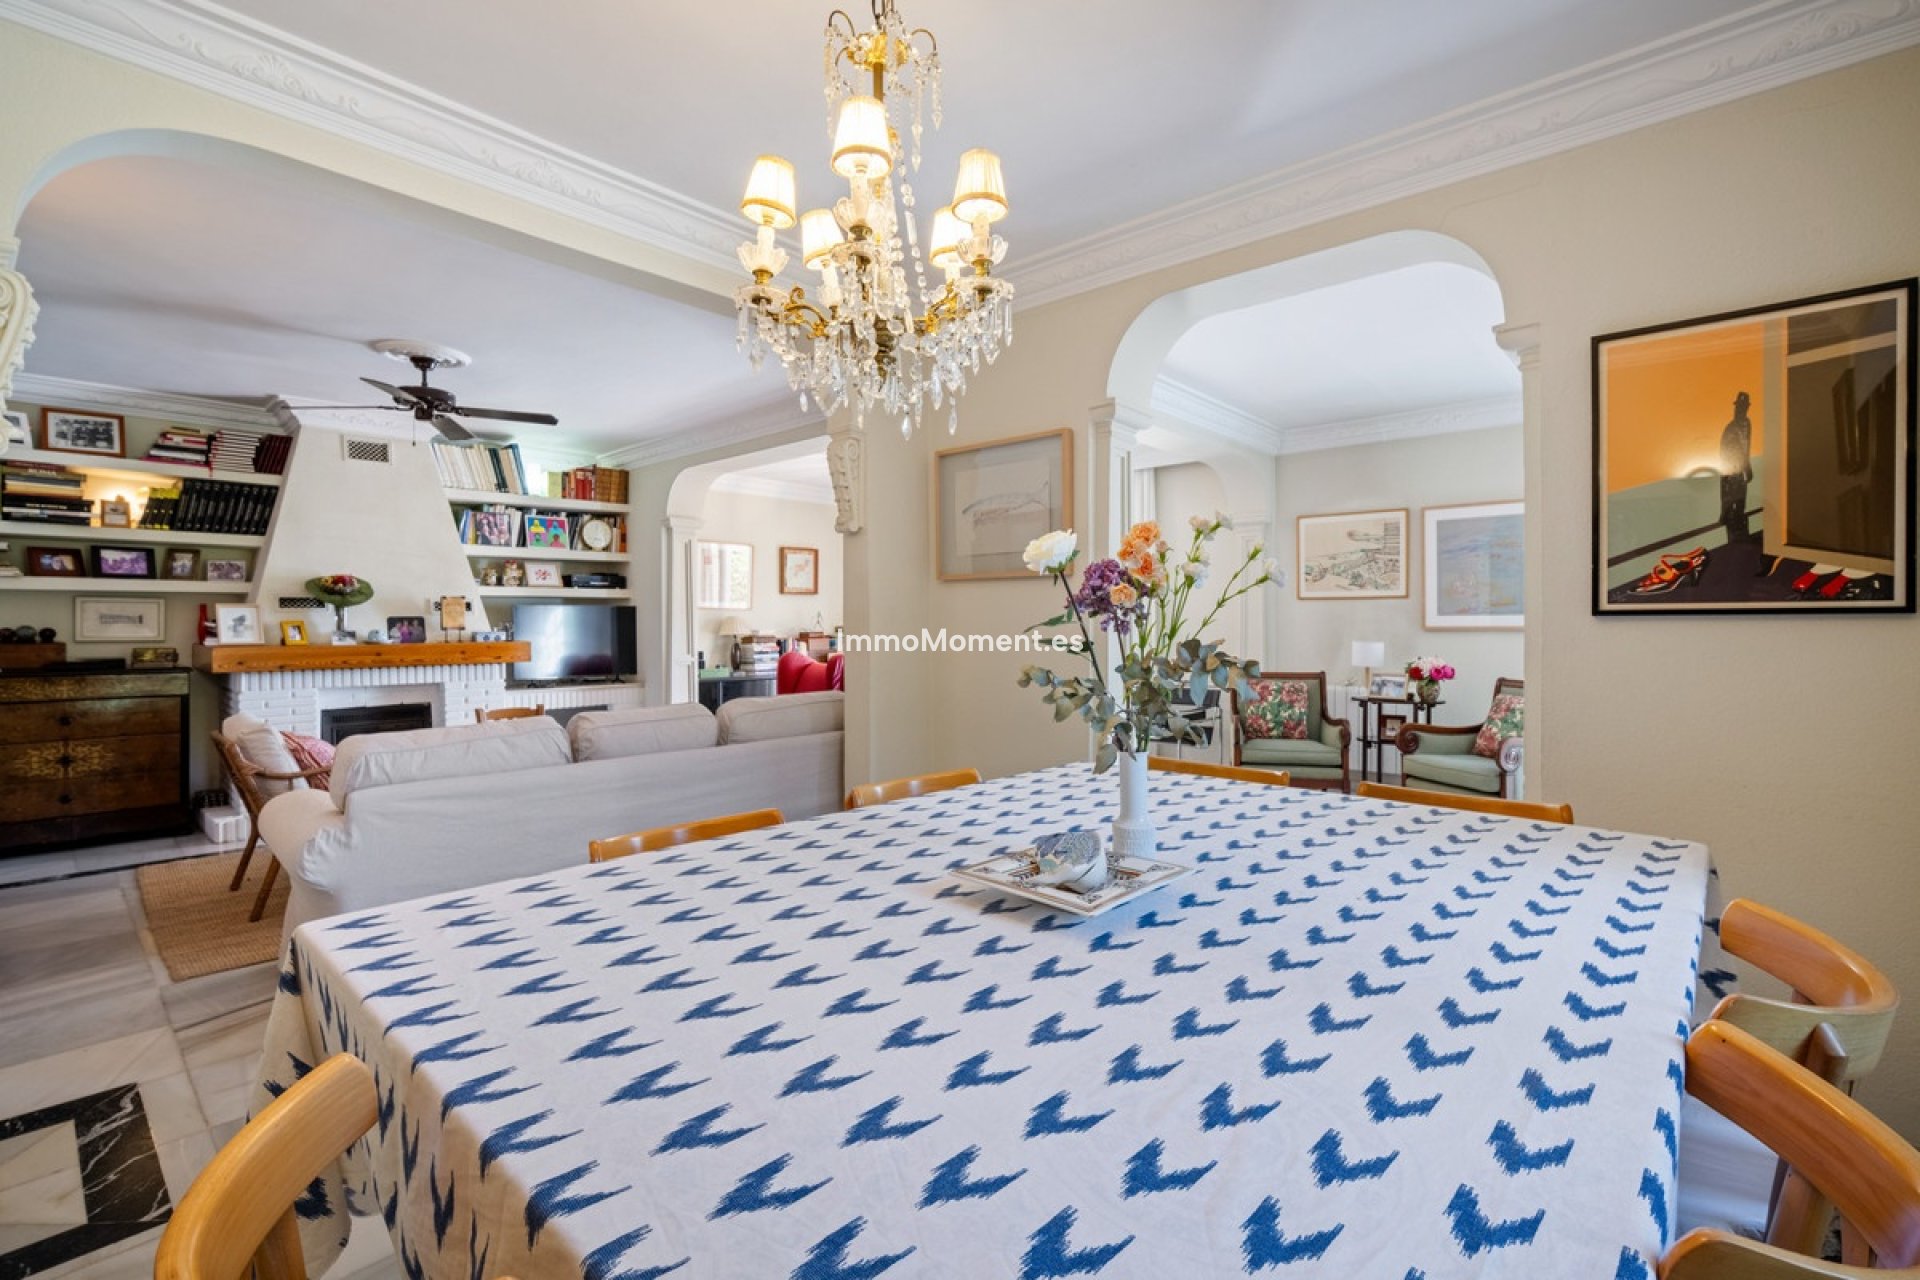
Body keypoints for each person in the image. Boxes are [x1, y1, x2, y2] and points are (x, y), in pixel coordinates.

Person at [1720, 391, 1755, 542]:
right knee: (1731, 508)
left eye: (1743, 406)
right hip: (1731, 472)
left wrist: (1747, 467)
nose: (1740, 409)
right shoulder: (1731, 428)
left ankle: (1740, 537)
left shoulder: (1747, 424)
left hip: (1740, 472)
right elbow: (1725, 454)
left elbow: (1745, 448)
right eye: (1739, 406)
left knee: (1740, 506)